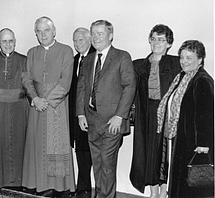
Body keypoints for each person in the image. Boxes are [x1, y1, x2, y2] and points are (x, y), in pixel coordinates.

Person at [76, 20, 136, 198]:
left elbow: (130, 87)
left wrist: (120, 116)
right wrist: (80, 114)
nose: (96, 38)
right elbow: (81, 88)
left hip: (112, 122)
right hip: (91, 120)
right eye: (93, 34)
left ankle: (106, 196)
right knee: (97, 162)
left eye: (100, 34)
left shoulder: (122, 56)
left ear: (110, 35)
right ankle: (100, 194)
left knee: (107, 162)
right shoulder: (87, 59)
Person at [21, 16, 75, 197]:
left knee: (55, 145)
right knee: (36, 143)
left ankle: (57, 186)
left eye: (46, 30)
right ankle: (35, 183)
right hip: (36, 105)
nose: (43, 34)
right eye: (39, 31)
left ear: (54, 32)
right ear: (35, 33)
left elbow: (66, 81)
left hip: (56, 106)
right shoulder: (31, 52)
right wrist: (35, 98)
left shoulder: (66, 51)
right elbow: (26, 78)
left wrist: (47, 101)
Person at [156, 40, 214, 198]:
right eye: (182, 57)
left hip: (193, 145)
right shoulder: (182, 77)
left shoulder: (202, 80)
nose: (183, 62)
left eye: (189, 58)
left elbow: (206, 115)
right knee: (179, 184)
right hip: (179, 139)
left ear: (200, 59)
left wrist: (203, 144)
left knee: (190, 187)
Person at [129, 24, 181, 198]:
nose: (157, 43)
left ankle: (164, 192)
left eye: (161, 39)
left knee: (164, 152)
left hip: (167, 115)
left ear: (169, 44)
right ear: (149, 41)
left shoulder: (176, 64)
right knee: (148, 152)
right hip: (146, 114)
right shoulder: (139, 65)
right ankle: (153, 193)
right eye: (153, 39)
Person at [0, 28, 28, 190]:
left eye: (10, 41)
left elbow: (29, 86)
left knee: (19, 143)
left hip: (20, 108)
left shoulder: (24, 60)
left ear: (15, 42)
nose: (7, 44)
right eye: (4, 41)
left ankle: (19, 181)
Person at [69, 27, 95, 198]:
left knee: (90, 151)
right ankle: (83, 185)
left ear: (90, 40)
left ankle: (86, 186)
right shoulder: (74, 60)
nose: (78, 44)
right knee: (80, 150)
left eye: (81, 40)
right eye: (75, 41)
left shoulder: (97, 58)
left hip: (92, 115)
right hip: (76, 114)